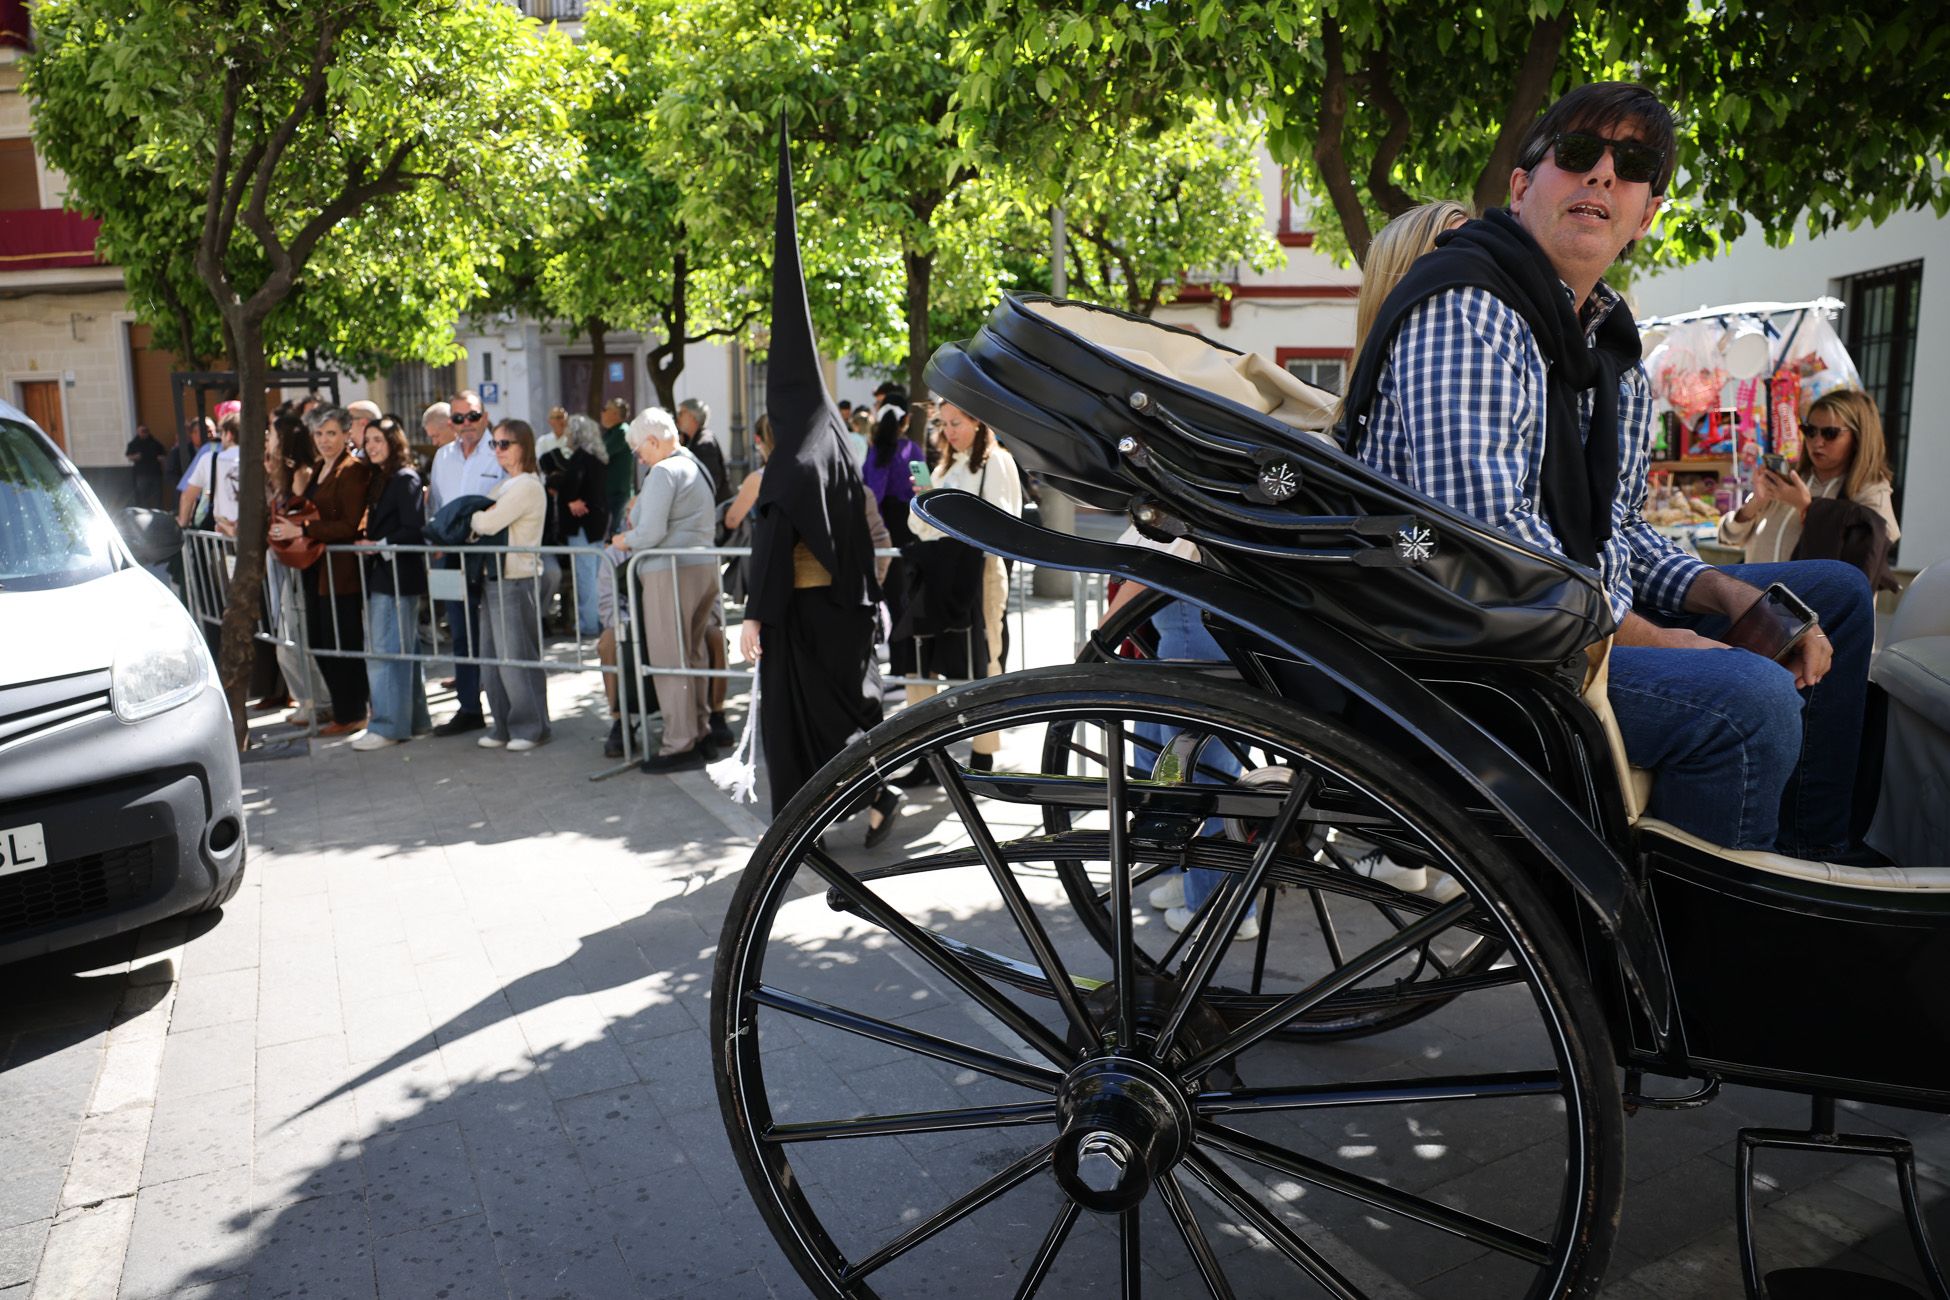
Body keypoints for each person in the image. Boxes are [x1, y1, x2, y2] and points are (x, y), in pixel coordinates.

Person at [1344, 81, 1874, 860]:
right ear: (1523, 187)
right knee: (1749, 699)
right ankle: (1699, 952)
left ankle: (1808, 866)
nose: (1601, 176)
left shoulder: (1604, 348)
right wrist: (1673, 644)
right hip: (1480, 658)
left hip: (1562, 626)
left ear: (1646, 213)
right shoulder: (1468, 306)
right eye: (1578, 154)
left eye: (1630, 165)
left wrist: (1721, 590)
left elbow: (1617, 530)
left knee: (1837, 595)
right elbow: (1502, 557)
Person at [742, 124, 898, 842]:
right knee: (847, 715)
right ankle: (872, 800)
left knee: (794, 724)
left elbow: (774, 535)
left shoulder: (795, 456)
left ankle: (798, 830)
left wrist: (752, 614)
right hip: (844, 612)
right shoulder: (837, 439)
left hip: (804, 619)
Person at [893, 399, 1023, 786]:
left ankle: (983, 756)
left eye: (957, 422)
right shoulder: (945, 465)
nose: (950, 431)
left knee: (983, 658)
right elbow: (919, 528)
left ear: (978, 421)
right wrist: (927, 501)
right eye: (944, 423)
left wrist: (946, 516)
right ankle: (925, 755)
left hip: (979, 572)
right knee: (918, 660)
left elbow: (1002, 521)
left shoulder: (996, 462)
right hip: (936, 572)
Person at [610, 407, 722, 771]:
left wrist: (624, 540)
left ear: (654, 441)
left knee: (669, 659)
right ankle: (700, 732)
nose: (639, 459)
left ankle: (679, 743)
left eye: (639, 450)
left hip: (669, 571)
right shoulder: (695, 466)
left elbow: (651, 532)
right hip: (702, 567)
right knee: (693, 654)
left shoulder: (663, 471)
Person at [1719, 388, 1901, 590]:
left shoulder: (1871, 490)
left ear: (1858, 438)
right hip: (1757, 608)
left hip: (1819, 617)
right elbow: (1729, 537)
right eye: (1810, 431)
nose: (1817, 442)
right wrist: (1756, 503)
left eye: (1830, 433)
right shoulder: (1790, 478)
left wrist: (1807, 508)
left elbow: (1870, 554)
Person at [269, 407, 371, 737]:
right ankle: (343, 708)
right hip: (315, 568)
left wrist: (304, 531)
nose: (325, 440)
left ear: (345, 434)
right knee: (318, 639)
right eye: (319, 434)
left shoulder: (352, 470)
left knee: (342, 641)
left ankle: (353, 711)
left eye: (331, 433)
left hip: (340, 572)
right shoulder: (318, 468)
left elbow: (348, 524)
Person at [468, 419, 551, 751]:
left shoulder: (527, 486)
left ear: (523, 447)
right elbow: (478, 516)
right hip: (494, 577)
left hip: (517, 579)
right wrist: (475, 517)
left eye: (505, 444)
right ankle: (501, 726)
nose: (498, 451)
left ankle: (530, 728)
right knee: (491, 659)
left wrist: (473, 517)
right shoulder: (506, 485)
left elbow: (484, 521)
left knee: (516, 659)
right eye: (495, 444)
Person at [427, 390, 505, 735]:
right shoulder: (443, 456)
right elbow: (437, 505)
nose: (466, 424)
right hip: (452, 558)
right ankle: (470, 707)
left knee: (499, 634)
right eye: (458, 418)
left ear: (484, 416)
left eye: (472, 416)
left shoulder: (500, 450)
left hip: (491, 555)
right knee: (461, 632)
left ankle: (508, 710)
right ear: (450, 423)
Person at [353, 416, 430, 750]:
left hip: (398, 576)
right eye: (367, 440)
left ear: (393, 442)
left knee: (387, 653)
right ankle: (412, 721)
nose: (371, 446)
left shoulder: (404, 478)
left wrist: (378, 546)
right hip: (387, 575)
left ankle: (388, 726)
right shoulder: (382, 478)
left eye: (378, 440)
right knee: (400, 651)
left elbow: (414, 528)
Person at [262, 413, 329, 722]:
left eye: (272, 434)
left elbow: (303, 515)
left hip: (299, 562)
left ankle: (317, 701)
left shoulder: (301, 472)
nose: (267, 438)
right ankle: (307, 699)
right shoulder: (281, 472)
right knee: (285, 636)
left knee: (293, 633)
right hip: (284, 559)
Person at [560, 414, 611, 637]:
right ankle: (599, 621)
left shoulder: (580, 458)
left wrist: (570, 499)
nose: (566, 435)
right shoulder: (598, 458)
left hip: (583, 526)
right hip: (596, 524)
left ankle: (588, 624)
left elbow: (570, 487)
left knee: (585, 576)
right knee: (596, 575)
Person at [600, 398, 635, 527]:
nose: (602, 413)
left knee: (617, 530)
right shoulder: (609, 433)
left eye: (605, 409)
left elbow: (601, 455)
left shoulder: (622, 431)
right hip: (609, 493)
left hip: (618, 494)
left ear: (615, 413)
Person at [125, 424, 166, 508]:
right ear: (138, 432)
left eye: (146, 431)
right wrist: (135, 457)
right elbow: (128, 456)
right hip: (142, 474)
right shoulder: (134, 443)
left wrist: (161, 458)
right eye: (142, 431)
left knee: (157, 496)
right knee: (143, 496)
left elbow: (163, 455)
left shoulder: (155, 443)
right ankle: (144, 512)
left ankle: (158, 512)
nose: (144, 433)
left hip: (155, 473)